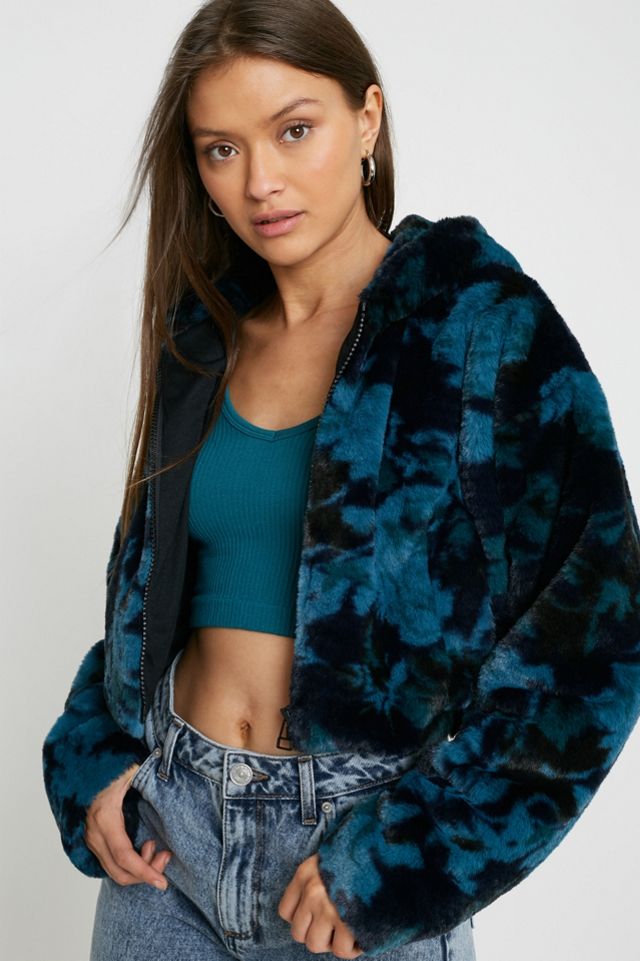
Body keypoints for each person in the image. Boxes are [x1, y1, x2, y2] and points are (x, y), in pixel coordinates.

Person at [42, 1, 640, 960]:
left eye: (293, 130)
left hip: (352, 860)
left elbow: (594, 637)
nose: (260, 182)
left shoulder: (476, 325)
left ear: (366, 119)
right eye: (221, 150)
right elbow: (144, 592)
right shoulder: (204, 334)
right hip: (168, 850)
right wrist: (98, 753)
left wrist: (411, 859)